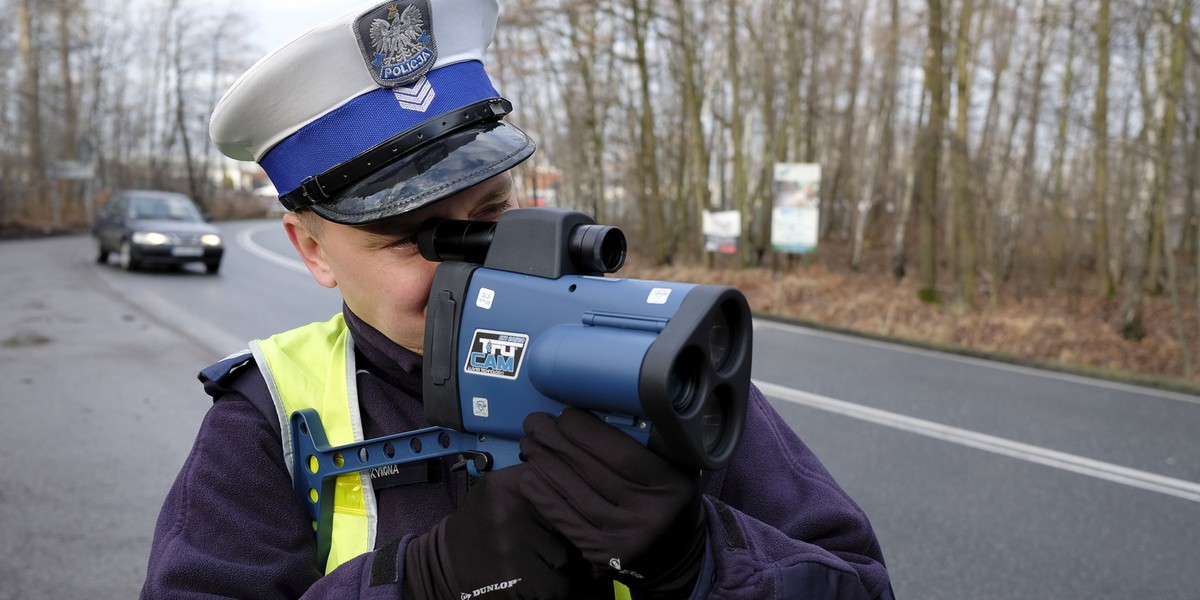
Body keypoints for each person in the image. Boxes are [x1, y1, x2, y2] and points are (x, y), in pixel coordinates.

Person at [141, 1, 895, 598]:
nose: (479, 268)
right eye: (416, 240)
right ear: (313, 250)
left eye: (493, 214)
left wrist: (700, 561)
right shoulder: (269, 422)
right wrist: (415, 584)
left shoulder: (643, 361)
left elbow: (857, 582)